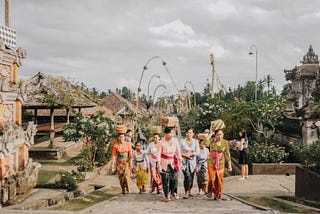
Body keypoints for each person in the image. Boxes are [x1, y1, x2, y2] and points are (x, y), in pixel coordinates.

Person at [157, 127, 182, 202]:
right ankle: (167, 196)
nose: (172, 135)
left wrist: (180, 162)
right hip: (164, 162)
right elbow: (158, 154)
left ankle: (174, 192)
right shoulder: (161, 142)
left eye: (172, 133)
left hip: (173, 162)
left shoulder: (175, 141)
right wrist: (159, 165)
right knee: (165, 179)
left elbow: (178, 152)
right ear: (166, 134)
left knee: (174, 179)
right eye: (170, 133)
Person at [207, 129, 232, 200]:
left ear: (223, 135)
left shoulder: (225, 142)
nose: (219, 136)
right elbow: (205, 143)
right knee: (212, 178)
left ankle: (217, 194)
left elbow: (227, 154)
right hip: (211, 162)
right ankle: (210, 191)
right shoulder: (211, 140)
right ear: (215, 135)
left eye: (221, 134)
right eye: (218, 134)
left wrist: (229, 165)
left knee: (219, 180)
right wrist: (210, 134)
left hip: (220, 163)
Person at [180, 128, 199, 198]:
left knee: (191, 176)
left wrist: (191, 154)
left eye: (190, 133)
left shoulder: (196, 142)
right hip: (184, 161)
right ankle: (186, 192)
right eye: (187, 133)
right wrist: (184, 155)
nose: (189, 134)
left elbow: (198, 152)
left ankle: (190, 190)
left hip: (192, 161)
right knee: (187, 176)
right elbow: (179, 151)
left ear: (193, 134)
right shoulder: (182, 141)